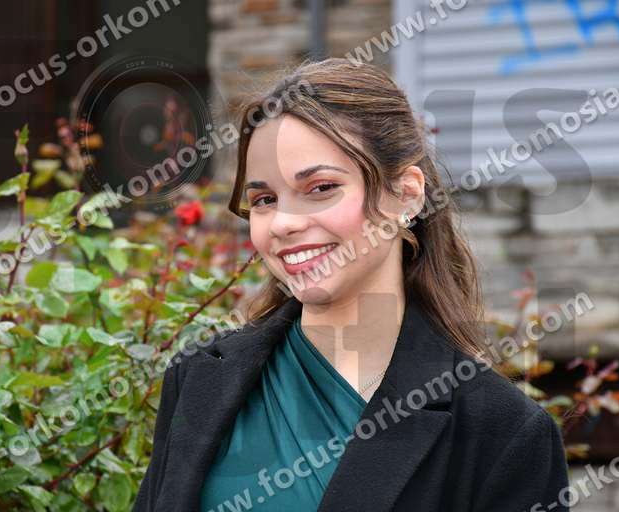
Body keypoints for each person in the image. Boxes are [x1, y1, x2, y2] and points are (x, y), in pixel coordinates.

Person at [132, 58, 571, 512]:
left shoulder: (502, 433)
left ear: (406, 195)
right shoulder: (198, 380)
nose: (282, 223)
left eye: (321, 187)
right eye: (264, 199)